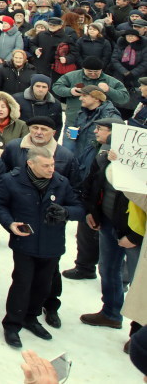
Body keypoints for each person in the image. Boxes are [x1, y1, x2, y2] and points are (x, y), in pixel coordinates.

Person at [0, 149, 83, 348]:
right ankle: (12, 324)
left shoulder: (61, 182)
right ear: (31, 164)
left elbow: (79, 209)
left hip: (52, 244)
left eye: (52, 165)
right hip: (25, 242)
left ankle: (31, 317)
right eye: (46, 166)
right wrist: (10, 224)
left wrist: (65, 212)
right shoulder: (11, 181)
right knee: (22, 283)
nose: (51, 169)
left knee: (43, 285)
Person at [79, 114, 140, 329]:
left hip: (134, 235)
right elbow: (93, 187)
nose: (96, 132)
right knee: (108, 269)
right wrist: (92, 213)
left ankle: (139, 331)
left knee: (139, 284)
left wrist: (134, 236)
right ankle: (111, 313)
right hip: (107, 224)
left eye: (101, 129)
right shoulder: (103, 158)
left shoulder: (141, 168)